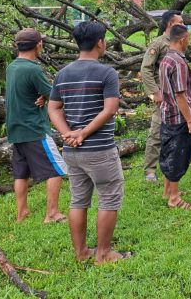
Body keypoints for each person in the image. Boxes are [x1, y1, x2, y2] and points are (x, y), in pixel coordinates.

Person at [48, 22, 130, 264]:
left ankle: (82, 253)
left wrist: (67, 134)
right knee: (110, 198)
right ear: (100, 43)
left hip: (72, 152)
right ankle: (103, 254)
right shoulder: (106, 73)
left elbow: (53, 107)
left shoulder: (63, 73)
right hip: (99, 150)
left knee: (78, 200)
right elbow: (111, 109)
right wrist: (82, 133)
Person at [5, 28, 67, 223]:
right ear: (38, 45)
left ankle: (22, 213)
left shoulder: (12, 67)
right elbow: (55, 96)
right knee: (57, 170)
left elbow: (27, 91)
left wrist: (42, 95)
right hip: (34, 129)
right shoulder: (33, 68)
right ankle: (52, 213)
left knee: (21, 173)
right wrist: (47, 96)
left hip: (15, 128)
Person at [141, 10, 184, 187]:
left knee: (178, 131)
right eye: (180, 21)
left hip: (179, 96)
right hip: (164, 96)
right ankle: (150, 169)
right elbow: (146, 69)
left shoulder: (180, 42)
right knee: (157, 131)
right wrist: (155, 92)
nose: (184, 24)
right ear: (170, 24)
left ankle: (172, 165)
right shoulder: (158, 43)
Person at [158, 24, 191, 209]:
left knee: (168, 151)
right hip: (179, 117)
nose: (189, 41)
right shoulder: (178, 62)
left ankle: (168, 189)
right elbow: (181, 94)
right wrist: (190, 121)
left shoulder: (166, 59)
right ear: (182, 39)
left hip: (167, 113)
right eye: (188, 38)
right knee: (178, 154)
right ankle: (174, 198)